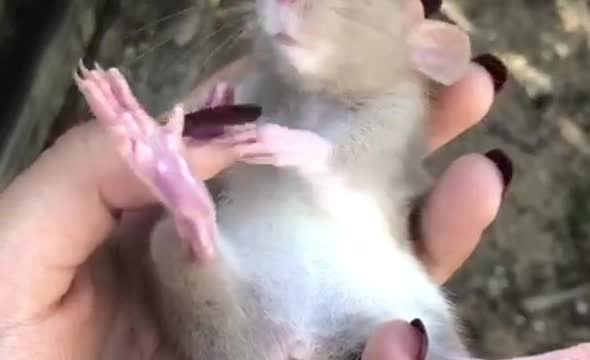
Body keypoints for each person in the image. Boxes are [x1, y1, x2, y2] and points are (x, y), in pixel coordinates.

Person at [0, 1, 511, 358]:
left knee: (426, 334)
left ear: (420, 50)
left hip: (363, 309)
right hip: (242, 319)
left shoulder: (396, 101)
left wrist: (314, 154)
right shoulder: (258, 86)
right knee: (169, 249)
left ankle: (192, 219)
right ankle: (194, 225)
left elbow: (362, 173)